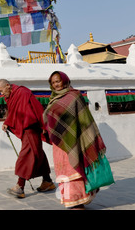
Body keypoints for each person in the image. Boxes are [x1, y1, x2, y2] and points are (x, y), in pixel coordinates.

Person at [43, 71, 106, 210]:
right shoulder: (52, 99)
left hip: (75, 141)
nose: (56, 84)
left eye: (58, 81)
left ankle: (79, 200)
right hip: (59, 144)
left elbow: (83, 119)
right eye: (53, 82)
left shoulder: (74, 96)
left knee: (74, 169)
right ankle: (71, 200)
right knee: (64, 171)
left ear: (65, 80)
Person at [0, 79, 55, 198]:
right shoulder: (11, 96)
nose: (1, 94)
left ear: (8, 86)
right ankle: (47, 181)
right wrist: (7, 122)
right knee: (37, 153)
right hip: (26, 128)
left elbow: (37, 107)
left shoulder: (23, 92)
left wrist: (43, 124)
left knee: (27, 154)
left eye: (1, 91)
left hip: (31, 127)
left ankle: (20, 186)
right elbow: (13, 111)